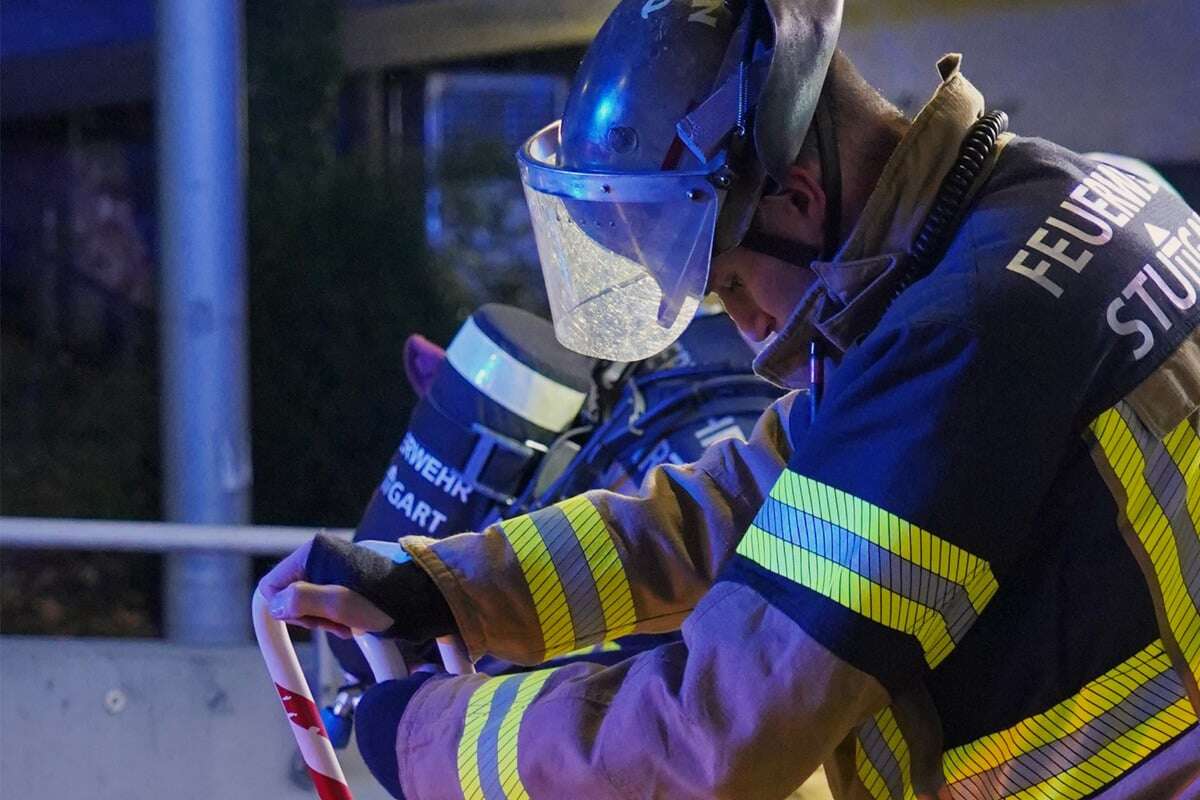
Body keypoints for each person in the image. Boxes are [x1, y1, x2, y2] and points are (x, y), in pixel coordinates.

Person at [261, 0, 1200, 797]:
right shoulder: (1045, 209)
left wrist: (428, 740)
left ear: (794, 194)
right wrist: (448, 586)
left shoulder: (966, 336)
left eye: (728, 283)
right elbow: (746, 505)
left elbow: (712, 735)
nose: (746, 328)